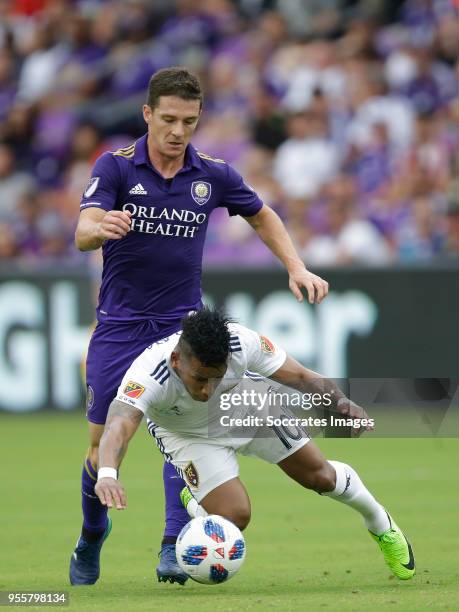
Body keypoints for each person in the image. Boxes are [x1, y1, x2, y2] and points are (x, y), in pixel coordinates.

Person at [70, 66, 329, 586]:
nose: (177, 131)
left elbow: (262, 215)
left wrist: (295, 265)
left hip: (181, 325)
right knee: (100, 447)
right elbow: (81, 232)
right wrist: (102, 228)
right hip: (120, 327)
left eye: (188, 120)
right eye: (168, 119)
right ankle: (91, 535)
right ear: (148, 115)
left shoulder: (212, 173)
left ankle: (171, 544)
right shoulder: (117, 167)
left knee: (185, 424)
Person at [94, 308, 415, 582]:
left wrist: (341, 403)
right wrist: (108, 472)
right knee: (235, 517)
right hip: (189, 437)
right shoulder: (149, 372)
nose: (207, 390)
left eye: (216, 377)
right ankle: (196, 500)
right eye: (200, 379)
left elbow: (301, 375)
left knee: (321, 477)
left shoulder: (241, 342)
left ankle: (380, 523)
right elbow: (119, 424)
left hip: (250, 408)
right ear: (177, 360)